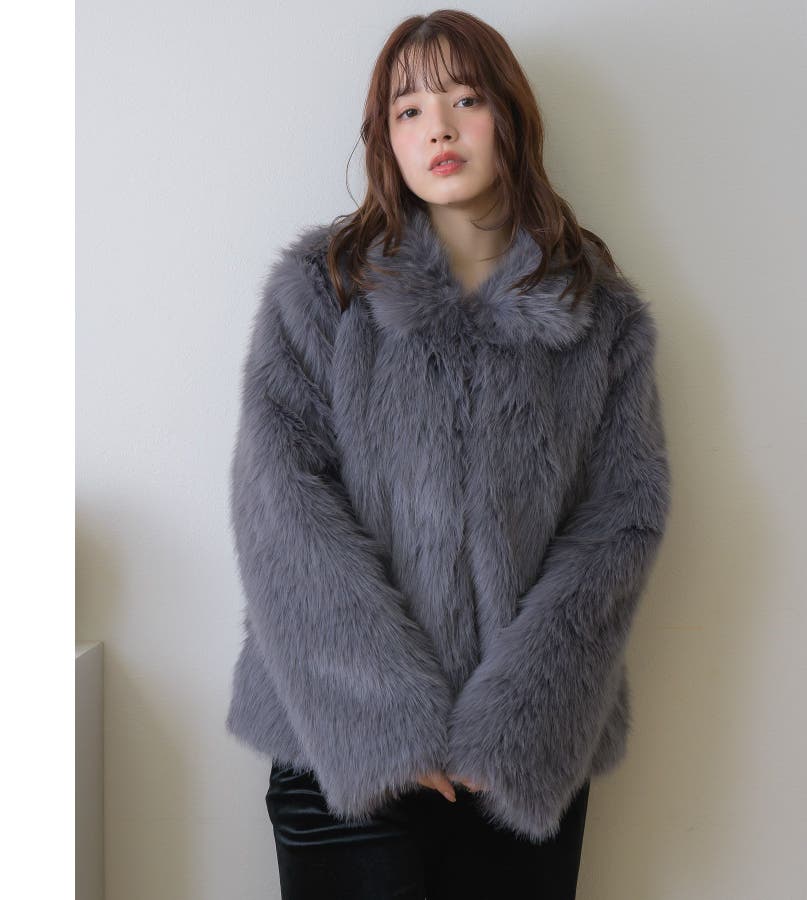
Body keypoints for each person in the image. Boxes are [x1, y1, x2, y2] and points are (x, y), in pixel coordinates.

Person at [225, 9, 671, 900]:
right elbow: (280, 504)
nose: (437, 127)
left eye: (464, 99)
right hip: (341, 753)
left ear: (510, 115)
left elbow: (622, 520)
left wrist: (515, 725)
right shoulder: (325, 292)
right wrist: (386, 723)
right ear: (386, 139)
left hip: (517, 768)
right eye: (409, 109)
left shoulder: (599, 316)